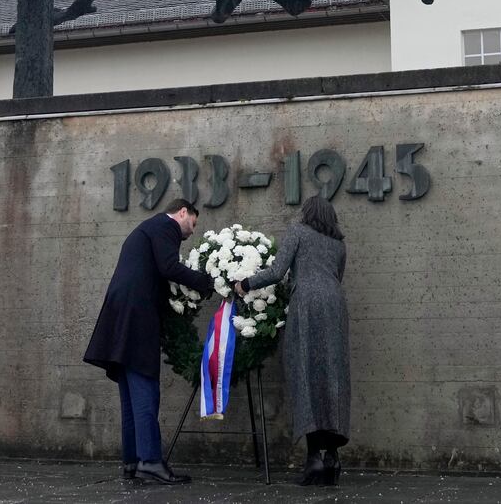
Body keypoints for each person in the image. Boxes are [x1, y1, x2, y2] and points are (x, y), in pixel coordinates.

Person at [84, 198, 213, 485]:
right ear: (182, 212)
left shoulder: (148, 229)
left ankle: (133, 461)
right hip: (136, 316)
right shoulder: (165, 227)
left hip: (121, 315)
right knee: (145, 390)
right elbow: (168, 266)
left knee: (130, 395)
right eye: (193, 222)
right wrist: (203, 282)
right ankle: (151, 462)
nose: (192, 231)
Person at [236, 195, 351, 486]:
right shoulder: (339, 244)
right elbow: (337, 276)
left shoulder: (299, 232)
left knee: (305, 374)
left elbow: (277, 271)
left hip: (307, 306)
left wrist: (245, 283)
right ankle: (332, 457)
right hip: (335, 306)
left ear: (307, 213)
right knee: (333, 377)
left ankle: (313, 457)